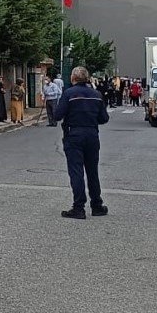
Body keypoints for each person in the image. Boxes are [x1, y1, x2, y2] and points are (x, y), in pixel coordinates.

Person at [53, 66, 109, 219]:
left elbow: (58, 115)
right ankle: (97, 205)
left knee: (76, 170)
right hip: (92, 134)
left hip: (74, 134)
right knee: (92, 171)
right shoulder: (96, 94)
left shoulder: (69, 93)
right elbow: (104, 118)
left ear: (73, 78)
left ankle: (78, 207)